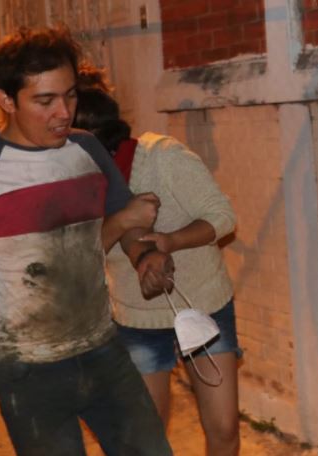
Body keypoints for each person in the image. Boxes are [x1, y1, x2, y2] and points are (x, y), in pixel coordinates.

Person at [0, 28, 173, 456]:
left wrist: (145, 255)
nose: (64, 112)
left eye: (71, 95)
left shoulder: (87, 148)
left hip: (104, 350)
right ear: (6, 100)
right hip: (27, 370)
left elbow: (125, 221)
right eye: (45, 101)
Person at [73, 67, 241, 455]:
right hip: (137, 321)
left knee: (225, 428)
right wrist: (119, 224)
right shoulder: (73, 183)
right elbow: (80, 257)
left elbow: (222, 217)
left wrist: (170, 241)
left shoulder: (163, 157)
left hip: (203, 305)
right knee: (144, 439)